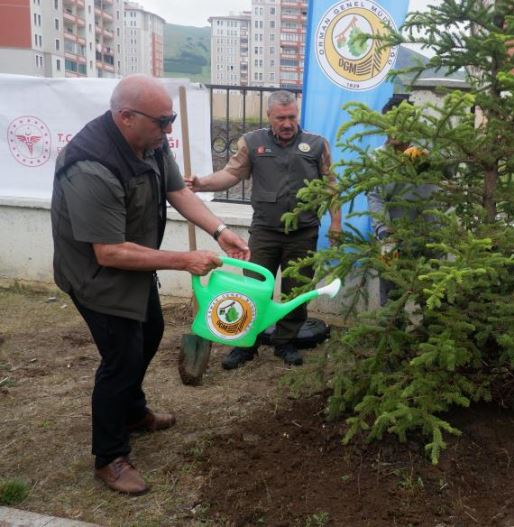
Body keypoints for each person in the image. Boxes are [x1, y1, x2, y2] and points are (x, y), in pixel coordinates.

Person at [51, 75, 251, 495]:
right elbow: (107, 253)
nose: (169, 129)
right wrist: (184, 260)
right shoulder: (91, 164)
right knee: (121, 359)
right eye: (163, 121)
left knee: (151, 332)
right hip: (96, 276)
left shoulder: (151, 143)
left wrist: (219, 231)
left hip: (134, 266)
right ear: (126, 117)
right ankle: (109, 457)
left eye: (172, 119)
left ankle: (133, 411)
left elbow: (177, 191)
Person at [188, 90, 341, 369]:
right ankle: (247, 343)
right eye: (280, 117)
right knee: (254, 289)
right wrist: (201, 184)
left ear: (297, 115)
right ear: (269, 116)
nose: (287, 123)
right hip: (264, 232)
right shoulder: (253, 142)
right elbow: (231, 173)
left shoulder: (316, 144)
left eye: (292, 117)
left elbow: (331, 186)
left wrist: (337, 223)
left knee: (297, 290)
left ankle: (285, 342)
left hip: (303, 232)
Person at [366, 94, 438, 306]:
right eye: (390, 122)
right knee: (390, 290)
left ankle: (428, 335)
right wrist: (384, 232)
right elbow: (375, 196)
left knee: (431, 292)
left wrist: (427, 154)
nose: (395, 128)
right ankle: (392, 334)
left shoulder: (427, 151)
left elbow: (451, 167)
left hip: (429, 234)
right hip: (391, 236)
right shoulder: (377, 157)